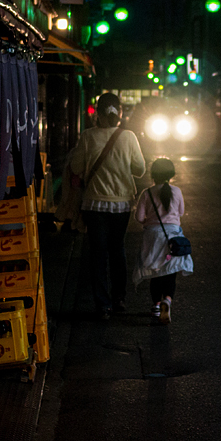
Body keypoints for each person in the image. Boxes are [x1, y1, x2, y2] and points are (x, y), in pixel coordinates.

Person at [68, 93, 146, 319]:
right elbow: (140, 169)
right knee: (117, 250)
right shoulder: (129, 136)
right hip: (121, 204)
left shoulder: (87, 136)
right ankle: (119, 298)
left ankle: (103, 305)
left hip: (93, 204)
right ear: (119, 113)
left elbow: (76, 166)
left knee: (98, 254)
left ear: (97, 114)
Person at [132, 157, 193, 325]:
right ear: (171, 174)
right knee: (170, 273)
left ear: (153, 175)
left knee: (155, 273)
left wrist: (148, 222)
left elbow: (138, 217)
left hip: (152, 236)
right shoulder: (177, 191)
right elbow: (180, 213)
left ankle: (156, 306)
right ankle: (168, 300)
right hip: (172, 236)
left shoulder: (147, 193)